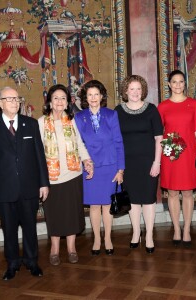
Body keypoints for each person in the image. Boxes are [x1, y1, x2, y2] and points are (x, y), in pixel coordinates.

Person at [0, 87, 49, 280]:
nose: (14, 102)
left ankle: (31, 261)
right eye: (9, 99)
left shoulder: (31, 124)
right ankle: (12, 263)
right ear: (0, 103)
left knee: (30, 226)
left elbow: (39, 156)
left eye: (17, 98)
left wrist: (44, 183)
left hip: (29, 186)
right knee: (9, 228)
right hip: (3, 189)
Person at [38, 84, 94, 266]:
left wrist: (87, 161)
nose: (59, 101)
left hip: (72, 174)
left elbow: (80, 143)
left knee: (71, 213)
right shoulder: (40, 123)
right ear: (50, 102)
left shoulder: (72, 120)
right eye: (56, 98)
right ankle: (54, 249)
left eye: (63, 98)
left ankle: (71, 248)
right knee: (54, 214)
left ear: (68, 101)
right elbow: (37, 152)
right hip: (51, 178)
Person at [75, 80, 125, 256]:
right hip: (90, 168)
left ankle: (108, 238)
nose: (93, 98)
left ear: (102, 96)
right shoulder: (79, 118)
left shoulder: (111, 115)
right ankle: (97, 239)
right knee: (95, 206)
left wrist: (120, 169)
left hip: (110, 166)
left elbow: (119, 142)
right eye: (90, 95)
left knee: (107, 205)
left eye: (96, 94)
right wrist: (85, 162)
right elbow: (78, 143)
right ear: (85, 98)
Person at [115, 75, 163, 253]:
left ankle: (149, 235)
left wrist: (157, 163)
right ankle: (136, 233)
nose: (135, 92)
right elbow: (114, 140)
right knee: (133, 201)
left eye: (138, 89)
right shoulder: (118, 111)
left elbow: (159, 138)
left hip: (148, 163)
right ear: (125, 91)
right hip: (127, 164)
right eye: (131, 89)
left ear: (143, 90)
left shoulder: (151, 110)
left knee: (148, 200)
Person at [158, 70, 196, 246]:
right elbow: (159, 134)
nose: (178, 85)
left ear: (184, 84)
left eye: (181, 82)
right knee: (172, 192)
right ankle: (176, 229)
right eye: (174, 82)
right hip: (170, 154)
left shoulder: (193, 104)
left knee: (187, 192)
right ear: (169, 84)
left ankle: (186, 229)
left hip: (188, 154)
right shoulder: (162, 107)